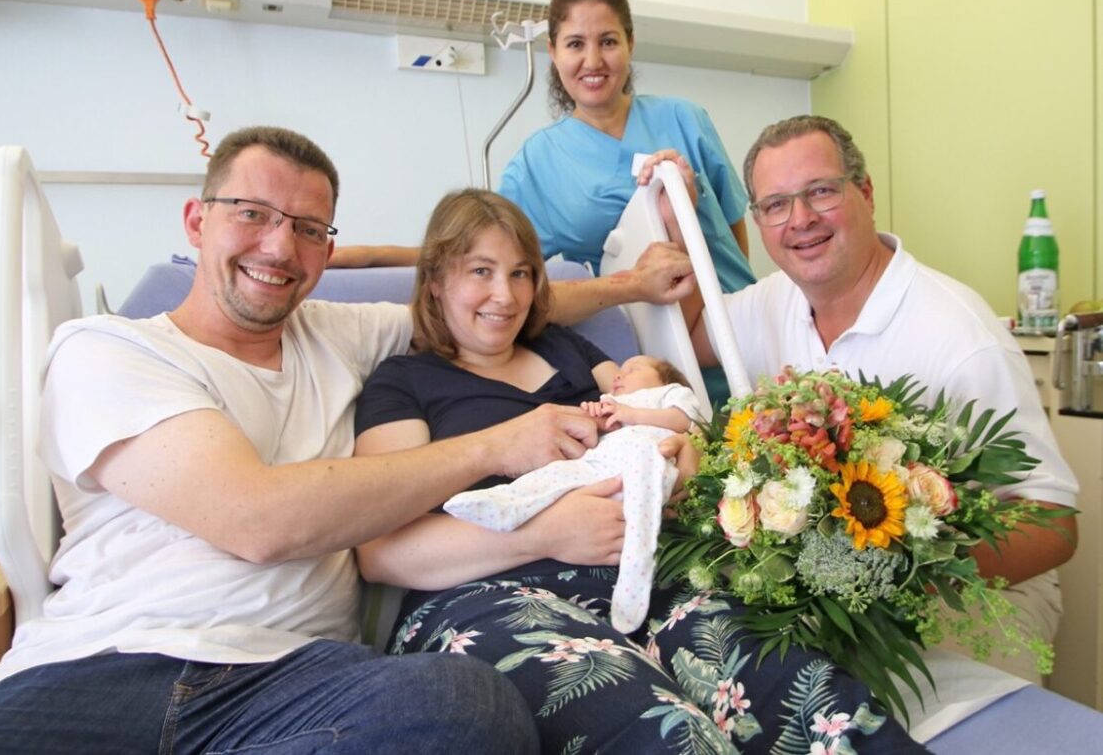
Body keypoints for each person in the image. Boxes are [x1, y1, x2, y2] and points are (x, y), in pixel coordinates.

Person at [0, 125, 697, 753]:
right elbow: (258, 521)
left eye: (306, 229)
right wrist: (499, 446)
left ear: (327, 254)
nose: (278, 246)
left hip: (291, 686)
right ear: (197, 223)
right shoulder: (106, 347)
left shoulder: (341, 334)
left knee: (467, 706)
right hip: (96, 670)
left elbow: (491, 303)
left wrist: (629, 287)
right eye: (252, 214)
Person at [355, 188, 927, 754]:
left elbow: (657, 406)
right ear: (434, 279)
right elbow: (381, 551)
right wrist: (546, 533)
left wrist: (687, 453)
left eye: (522, 273)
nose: (505, 296)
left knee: (807, 698)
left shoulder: (562, 347)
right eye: (480, 270)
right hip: (489, 597)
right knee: (659, 732)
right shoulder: (402, 384)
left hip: (651, 572)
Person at [710, 114, 1079, 681]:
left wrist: (908, 570)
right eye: (776, 204)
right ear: (758, 221)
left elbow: (1054, 524)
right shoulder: (775, 299)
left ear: (865, 193)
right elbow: (687, 333)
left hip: (977, 596)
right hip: (841, 595)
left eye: (821, 192)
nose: (800, 219)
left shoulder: (960, 338)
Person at [497, 0, 756, 405]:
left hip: (741, 328)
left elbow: (733, 228)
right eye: (576, 43)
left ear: (630, 44)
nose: (593, 60)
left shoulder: (686, 119)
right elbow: (511, 278)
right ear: (553, 52)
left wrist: (724, 301)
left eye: (609, 41)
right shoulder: (535, 165)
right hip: (650, 360)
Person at [444, 354, 700, 633]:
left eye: (632, 369)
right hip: (601, 464)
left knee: (641, 518)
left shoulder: (669, 394)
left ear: (665, 379)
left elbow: (684, 420)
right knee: (554, 476)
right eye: (620, 371)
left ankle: (635, 577)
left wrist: (631, 413)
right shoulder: (613, 403)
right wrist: (597, 417)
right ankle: (507, 503)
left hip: (647, 461)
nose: (618, 375)